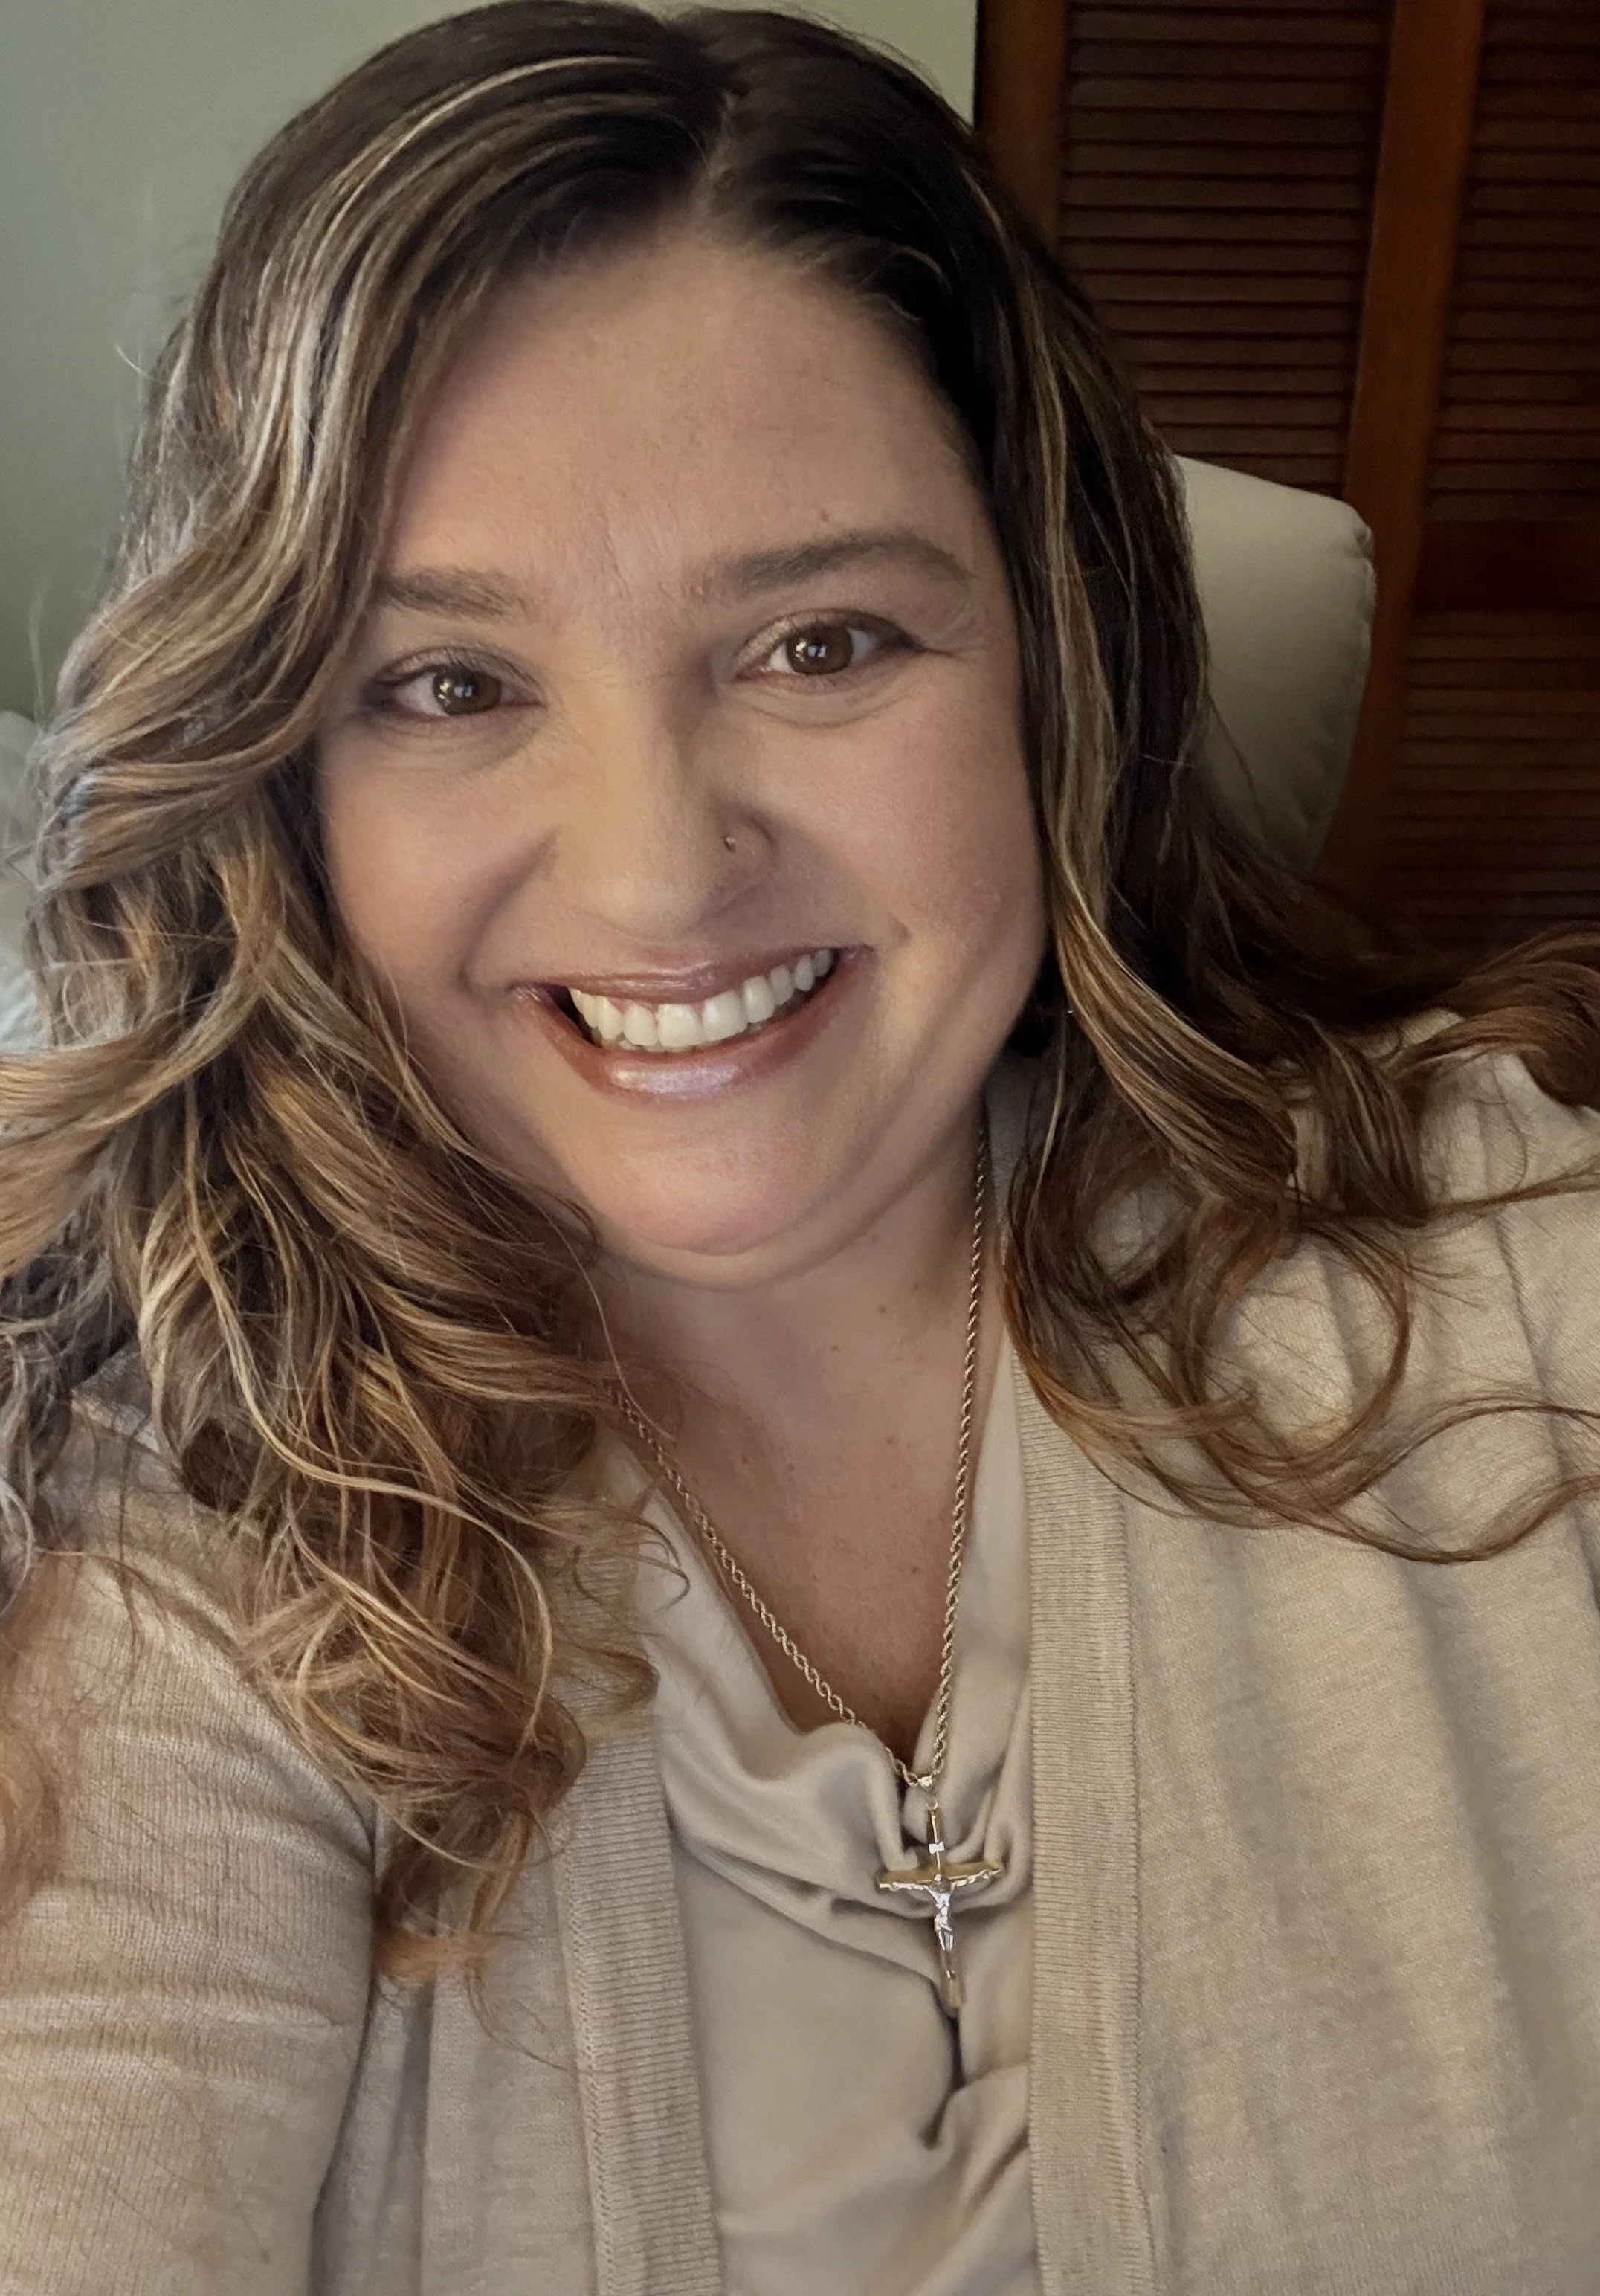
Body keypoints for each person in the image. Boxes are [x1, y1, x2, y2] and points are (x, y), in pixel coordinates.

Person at [2, 5, 1599, 2290]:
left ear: (1053, 664)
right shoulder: (165, 1490)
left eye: (822, 642)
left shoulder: (1522, 1274)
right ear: (282, 776)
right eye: (448, 684)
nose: (659, 874)